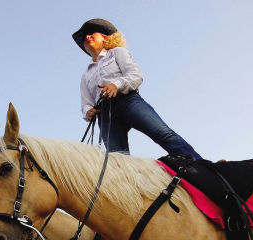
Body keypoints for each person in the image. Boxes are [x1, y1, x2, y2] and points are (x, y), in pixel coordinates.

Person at [72, 18, 203, 159]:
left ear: (104, 37)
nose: (87, 37)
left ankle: (203, 167)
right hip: (105, 115)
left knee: (163, 134)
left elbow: (135, 75)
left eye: (92, 34)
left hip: (128, 101)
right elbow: (86, 102)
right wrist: (88, 112)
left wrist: (116, 85)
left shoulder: (117, 52)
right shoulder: (86, 75)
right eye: (85, 38)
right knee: (117, 160)